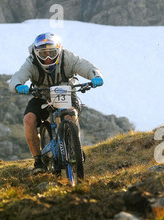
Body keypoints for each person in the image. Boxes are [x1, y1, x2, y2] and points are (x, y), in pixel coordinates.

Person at [9, 32, 104, 174]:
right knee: (29, 119)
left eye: (52, 53)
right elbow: (17, 78)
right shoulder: (31, 62)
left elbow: (87, 67)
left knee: (70, 114)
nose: (47, 58)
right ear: (36, 53)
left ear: (59, 51)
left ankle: (74, 149)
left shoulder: (68, 57)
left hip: (66, 92)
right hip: (42, 95)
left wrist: (96, 76)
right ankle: (38, 161)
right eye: (43, 54)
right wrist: (18, 86)